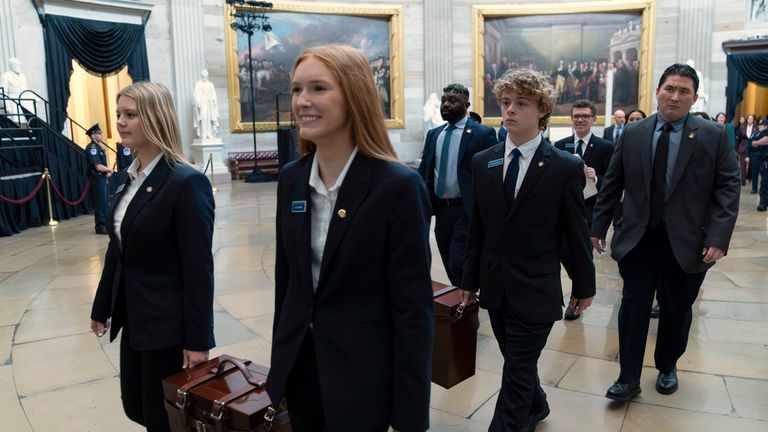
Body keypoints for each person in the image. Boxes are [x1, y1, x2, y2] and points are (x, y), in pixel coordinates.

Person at [267, 44, 434, 432]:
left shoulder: (397, 187)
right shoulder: (291, 179)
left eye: (318, 88)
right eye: (296, 89)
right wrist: (281, 366)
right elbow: (288, 283)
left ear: (354, 95)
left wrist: (410, 416)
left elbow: (413, 313)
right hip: (302, 371)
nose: (302, 101)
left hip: (364, 382)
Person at [591, 63, 740, 402]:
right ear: (657, 91)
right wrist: (598, 226)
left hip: (688, 242)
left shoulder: (712, 135)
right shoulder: (633, 132)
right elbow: (613, 182)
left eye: (683, 91)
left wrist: (718, 237)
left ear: (694, 97)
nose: (675, 96)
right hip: (639, 238)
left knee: (676, 309)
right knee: (632, 306)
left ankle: (667, 366)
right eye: (669, 88)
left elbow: (729, 187)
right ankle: (628, 377)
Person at [461, 68, 595, 432]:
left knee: (516, 373)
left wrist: (584, 286)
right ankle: (538, 405)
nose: (510, 110)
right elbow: (479, 229)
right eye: (506, 103)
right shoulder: (483, 161)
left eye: (521, 103)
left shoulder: (565, 166)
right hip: (496, 288)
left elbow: (575, 232)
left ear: (542, 110)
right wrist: (468, 280)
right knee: (518, 363)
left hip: (536, 291)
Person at [90, 82, 216, 432]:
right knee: (137, 407)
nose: (121, 122)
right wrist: (102, 307)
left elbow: (198, 268)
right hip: (134, 320)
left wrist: (198, 339)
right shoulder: (125, 178)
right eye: (119, 114)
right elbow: (117, 251)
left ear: (156, 118)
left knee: (164, 418)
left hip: (167, 326)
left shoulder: (185, 182)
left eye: (131, 115)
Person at [417, 83, 496, 286]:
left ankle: (467, 300)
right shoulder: (434, 135)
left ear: (466, 105)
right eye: (444, 100)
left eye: (453, 101)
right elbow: (426, 169)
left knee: (458, 261)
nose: (446, 104)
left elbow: (493, 172)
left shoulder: (482, 133)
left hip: (465, 208)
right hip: (441, 209)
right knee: (446, 257)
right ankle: (465, 297)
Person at [554, 99, 613, 320]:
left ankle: (576, 299)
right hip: (564, 211)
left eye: (585, 116)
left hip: (590, 212)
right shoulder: (560, 145)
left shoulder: (606, 147)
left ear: (593, 119)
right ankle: (578, 288)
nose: (580, 120)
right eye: (576, 116)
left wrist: (596, 177)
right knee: (564, 253)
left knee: (582, 256)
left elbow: (614, 181)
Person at [85, 124, 112, 235]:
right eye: (99, 134)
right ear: (93, 136)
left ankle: (105, 224)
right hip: (97, 178)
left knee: (105, 202)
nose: (101, 135)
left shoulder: (98, 147)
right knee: (100, 203)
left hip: (101, 177)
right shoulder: (92, 148)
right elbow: (98, 166)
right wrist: (109, 170)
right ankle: (100, 226)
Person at [0, 57, 28, 125]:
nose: (19, 67)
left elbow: (26, 90)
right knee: (16, 120)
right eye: (17, 65)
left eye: (19, 65)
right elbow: (3, 92)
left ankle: (25, 132)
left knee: (25, 120)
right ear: (11, 66)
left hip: (24, 101)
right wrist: (7, 105)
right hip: (13, 101)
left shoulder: (23, 76)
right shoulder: (6, 76)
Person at [193, 69, 219, 139]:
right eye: (203, 73)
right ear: (201, 75)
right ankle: (203, 133)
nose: (204, 74)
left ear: (207, 74)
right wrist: (198, 102)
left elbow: (213, 94)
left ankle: (209, 133)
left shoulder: (210, 84)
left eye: (205, 72)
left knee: (210, 118)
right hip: (202, 103)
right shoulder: (198, 83)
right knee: (203, 118)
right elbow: (196, 94)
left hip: (209, 103)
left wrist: (214, 101)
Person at [750, 119, 768, 211]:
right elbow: (752, 143)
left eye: (761, 125)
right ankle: (763, 203)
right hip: (764, 160)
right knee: (764, 183)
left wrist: (760, 142)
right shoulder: (759, 133)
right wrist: (760, 142)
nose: (759, 126)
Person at [736, 114, 755, 186]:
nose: (750, 120)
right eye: (749, 118)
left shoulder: (756, 128)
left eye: (751, 119)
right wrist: (737, 149)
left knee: (751, 165)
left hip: (752, 148)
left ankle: (749, 177)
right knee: (742, 165)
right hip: (743, 147)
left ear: (753, 120)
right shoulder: (742, 127)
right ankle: (743, 180)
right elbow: (739, 139)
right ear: (747, 120)